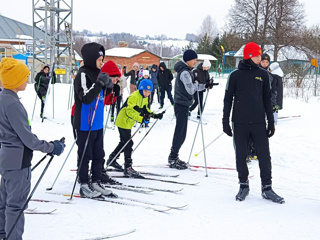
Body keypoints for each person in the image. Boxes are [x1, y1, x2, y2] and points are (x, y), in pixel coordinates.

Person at [0, 58, 65, 240]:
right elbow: (28, 139)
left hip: (6, 160)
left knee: (5, 203)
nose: (28, 81)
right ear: (14, 80)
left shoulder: (3, 98)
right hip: (18, 162)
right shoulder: (12, 104)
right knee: (15, 206)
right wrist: (52, 147)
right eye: (24, 77)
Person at [222, 42, 284, 203]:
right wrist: (225, 121)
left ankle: (267, 188)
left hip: (258, 122)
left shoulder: (263, 75)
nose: (260, 58)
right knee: (241, 155)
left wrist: (270, 122)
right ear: (249, 56)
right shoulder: (235, 75)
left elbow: (267, 99)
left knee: (264, 155)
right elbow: (228, 100)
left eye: (260, 55)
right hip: (239, 122)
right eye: (256, 55)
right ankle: (243, 185)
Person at [73, 42, 117, 199]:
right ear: (92, 59)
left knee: (99, 154)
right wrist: (99, 83)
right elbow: (85, 97)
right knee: (86, 154)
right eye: (99, 59)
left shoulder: (99, 73)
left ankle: (96, 181)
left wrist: (110, 86)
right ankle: (84, 183)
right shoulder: (83, 75)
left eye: (103, 59)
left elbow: (103, 97)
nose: (102, 62)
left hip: (97, 121)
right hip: (85, 122)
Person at [106, 79, 164, 176]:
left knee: (123, 142)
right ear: (141, 89)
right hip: (123, 121)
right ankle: (128, 167)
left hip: (128, 123)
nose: (147, 94)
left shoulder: (145, 98)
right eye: (145, 91)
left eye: (149, 92)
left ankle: (112, 159)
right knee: (128, 143)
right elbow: (129, 112)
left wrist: (155, 115)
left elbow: (145, 110)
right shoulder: (134, 97)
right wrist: (141, 119)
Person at [168, 49, 213, 170]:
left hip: (184, 104)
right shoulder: (184, 73)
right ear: (187, 60)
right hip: (181, 104)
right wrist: (201, 85)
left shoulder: (188, 71)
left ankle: (174, 156)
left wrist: (205, 85)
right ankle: (172, 158)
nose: (195, 62)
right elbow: (191, 90)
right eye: (193, 59)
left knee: (182, 133)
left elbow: (194, 86)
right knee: (180, 132)